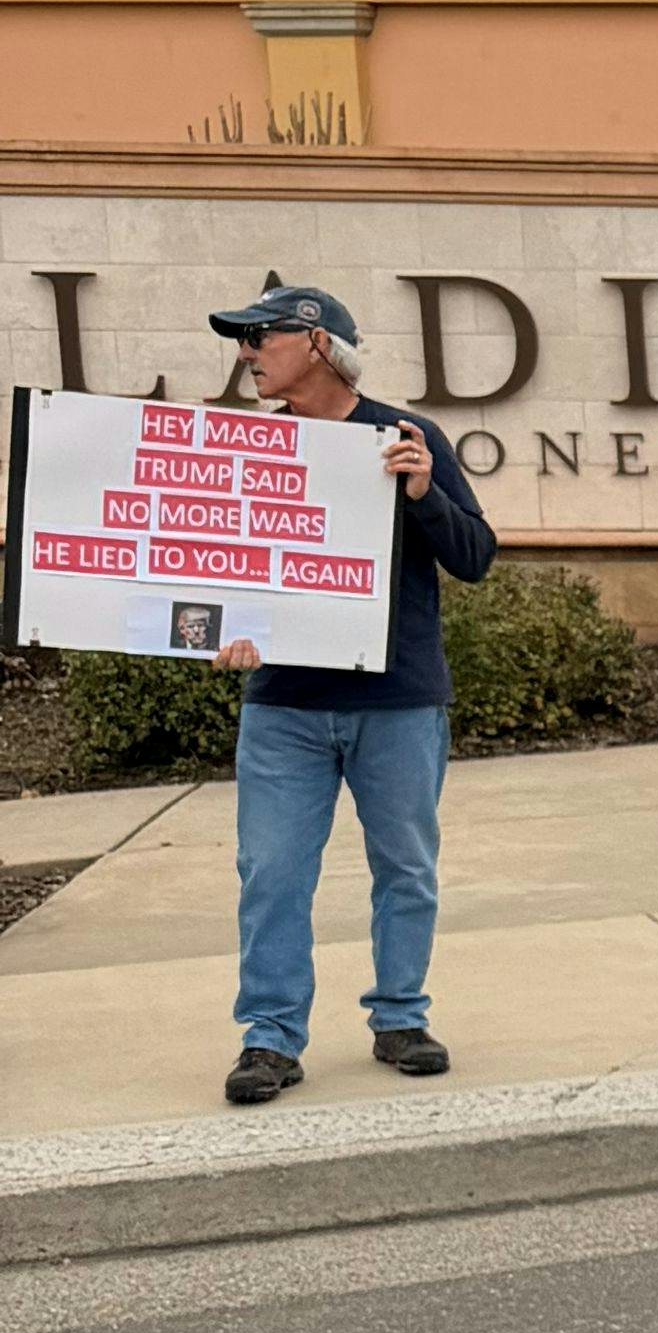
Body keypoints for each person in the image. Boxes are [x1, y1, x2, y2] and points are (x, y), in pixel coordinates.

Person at [201, 282, 498, 1110]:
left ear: (320, 344)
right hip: (284, 707)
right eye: (243, 341)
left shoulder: (406, 436)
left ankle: (400, 1017)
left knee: (405, 868)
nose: (247, 354)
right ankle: (268, 1037)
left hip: (398, 702)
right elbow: (217, 569)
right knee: (271, 873)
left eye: (260, 338)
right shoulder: (250, 452)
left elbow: (476, 556)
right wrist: (221, 628)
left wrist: (422, 492)